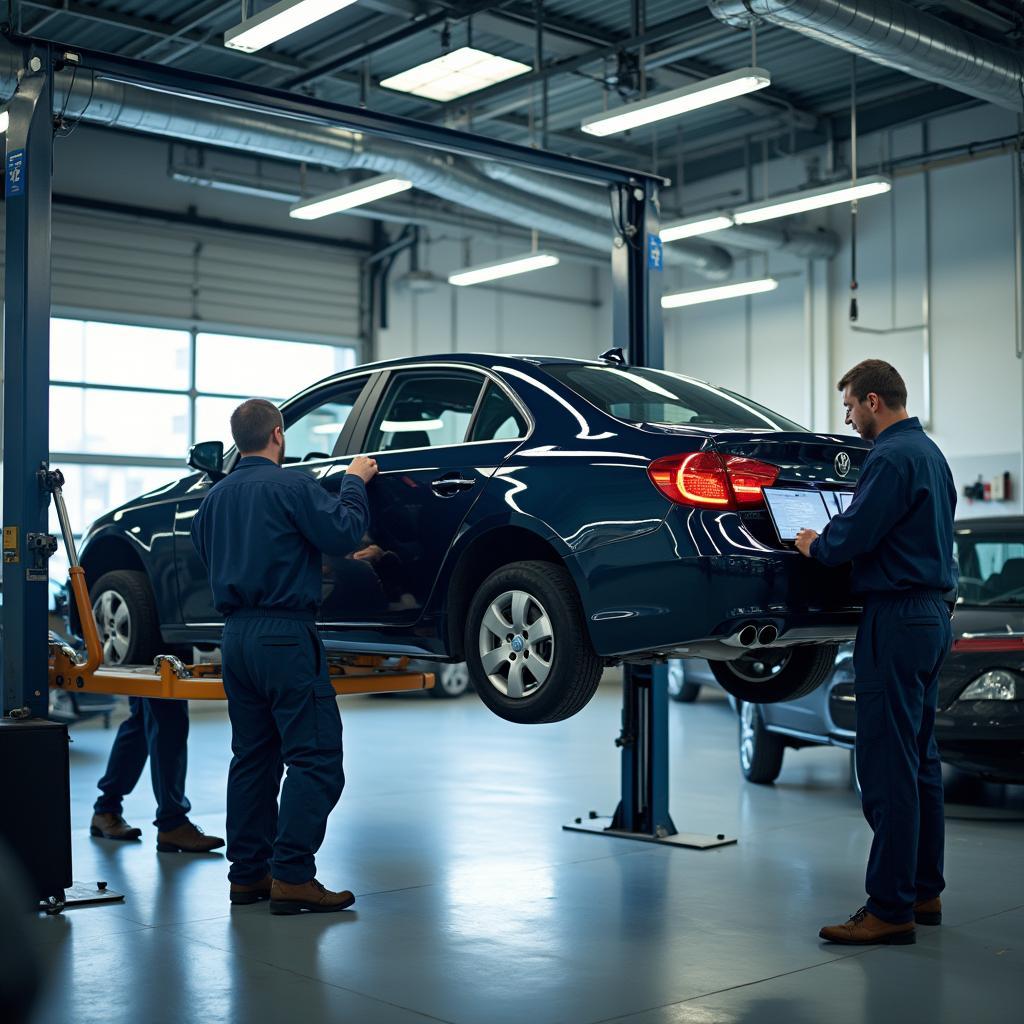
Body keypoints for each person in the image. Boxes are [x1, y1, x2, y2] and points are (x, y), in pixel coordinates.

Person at [190, 398, 377, 915]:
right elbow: (342, 532)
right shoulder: (292, 484)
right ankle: (293, 876)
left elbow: (212, 554)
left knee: (253, 758)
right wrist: (355, 480)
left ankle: (247, 877)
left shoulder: (215, 498)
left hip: (237, 638)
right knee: (315, 760)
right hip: (284, 637)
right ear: (278, 434)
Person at [795, 359, 956, 946]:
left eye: (849, 407)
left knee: (888, 768)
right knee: (920, 760)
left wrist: (816, 543)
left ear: (872, 401)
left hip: (896, 617)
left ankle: (889, 908)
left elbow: (856, 533)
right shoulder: (931, 455)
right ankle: (923, 889)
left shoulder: (889, 457)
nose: (848, 418)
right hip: (934, 613)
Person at [91, 698, 224, 854]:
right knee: (168, 718)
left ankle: (106, 809)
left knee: (142, 720)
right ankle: (173, 824)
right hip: (162, 672)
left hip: (146, 672)